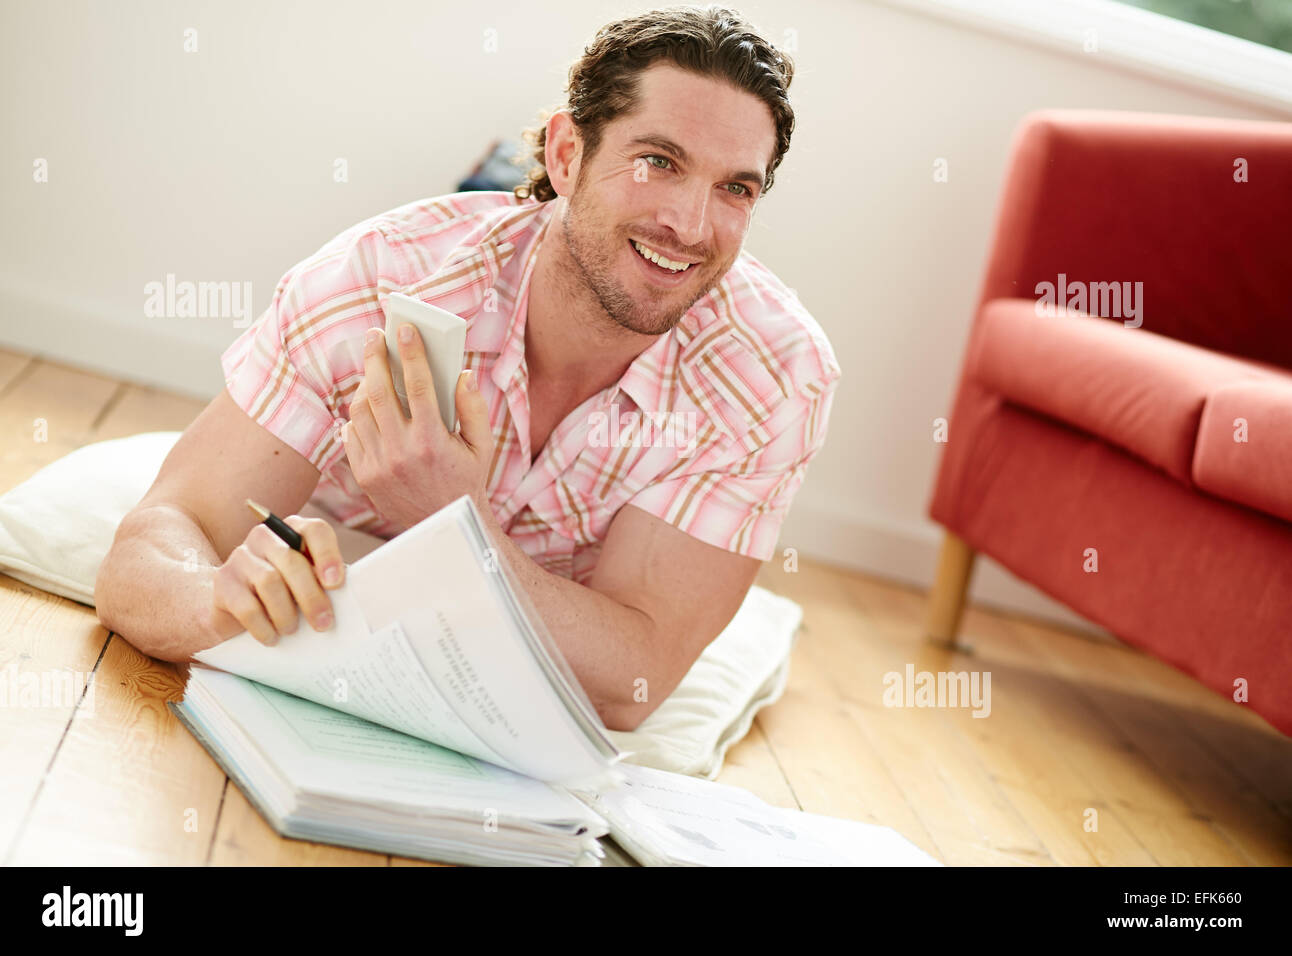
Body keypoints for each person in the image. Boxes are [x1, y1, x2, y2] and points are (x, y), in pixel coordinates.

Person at [96, 5, 840, 732]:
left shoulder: (774, 375)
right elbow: (155, 545)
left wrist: (457, 526)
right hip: (365, 513)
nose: (691, 225)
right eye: (657, 162)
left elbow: (632, 683)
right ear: (566, 153)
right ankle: (492, 198)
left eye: (735, 188)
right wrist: (217, 601)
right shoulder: (377, 279)